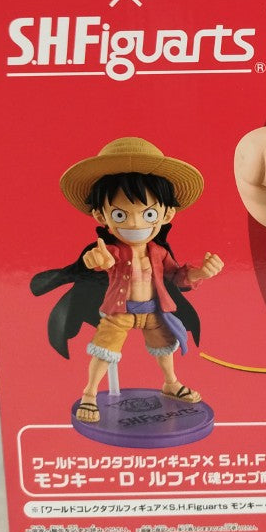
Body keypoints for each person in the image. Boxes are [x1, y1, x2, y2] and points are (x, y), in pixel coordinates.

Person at [31, 137, 222, 424]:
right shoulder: (114, 251)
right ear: (101, 215)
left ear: (167, 213)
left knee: (165, 347)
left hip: (154, 312)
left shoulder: (158, 253)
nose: (135, 223)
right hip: (119, 313)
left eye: (148, 213)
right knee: (104, 352)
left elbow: (176, 277)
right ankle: (89, 393)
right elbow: (101, 260)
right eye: (120, 214)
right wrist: (96, 260)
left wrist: (199, 273)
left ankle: (170, 383)